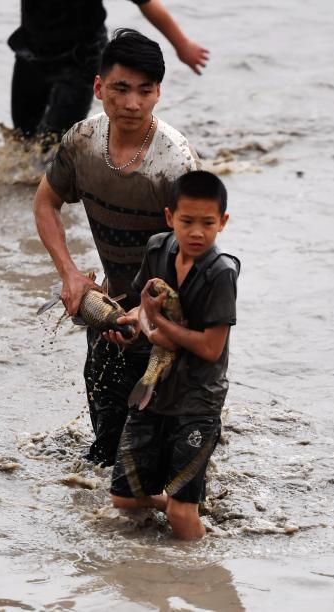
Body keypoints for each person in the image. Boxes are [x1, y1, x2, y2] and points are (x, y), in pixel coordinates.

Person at [33, 29, 200, 467]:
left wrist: (151, 316)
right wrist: (70, 273)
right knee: (106, 455)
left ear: (159, 93)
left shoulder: (176, 163)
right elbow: (45, 201)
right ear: (98, 87)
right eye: (121, 89)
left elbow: (196, 261)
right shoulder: (82, 141)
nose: (132, 103)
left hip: (169, 327)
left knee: (166, 463)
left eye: (145, 91)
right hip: (108, 313)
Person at [103, 170, 238, 540]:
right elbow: (139, 308)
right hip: (156, 389)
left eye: (208, 223)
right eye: (187, 221)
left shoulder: (221, 274)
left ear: (223, 223)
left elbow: (210, 348)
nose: (197, 232)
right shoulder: (157, 249)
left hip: (198, 399)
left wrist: (157, 321)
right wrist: (129, 327)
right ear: (169, 218)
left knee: (180, 517)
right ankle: (181, 500)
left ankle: (202, 572)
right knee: (124, 499)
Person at [0, 0, 208, 139]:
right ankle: (24, 200)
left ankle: (51, 197)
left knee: (53, 142)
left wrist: (181, 44)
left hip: (80, 60)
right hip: (32, 52)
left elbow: (146, 3)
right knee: (24, 136)